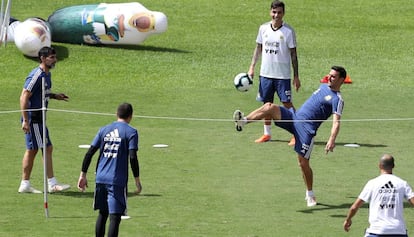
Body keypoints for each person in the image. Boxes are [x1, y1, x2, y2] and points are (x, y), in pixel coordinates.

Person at [233, 65, 347, 207]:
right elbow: (328, 79)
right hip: (293, 117)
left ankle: (310, 194)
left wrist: (331, 140)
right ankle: (243, 121)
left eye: (334, 76)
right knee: (269, 107)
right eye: (329, 75)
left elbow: (336, 122)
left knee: (303, 164)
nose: (329, 77)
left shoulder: (338, 99)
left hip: (306, 131)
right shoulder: (324, 85)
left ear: (341, 80)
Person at [77, 103, 142, 237]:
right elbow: (133, 157)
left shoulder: (104, 130)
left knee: (103, 213)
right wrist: (137, 180)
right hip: (116, 180)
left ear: (116, 114)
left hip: (100, 177)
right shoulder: (131, 132)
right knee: (115, 217)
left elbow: (90, 153)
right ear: (131, 116)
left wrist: (82, 175)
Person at [18, 46, 71, 193]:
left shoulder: (47, 75)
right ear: (42, 58)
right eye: (52, 57)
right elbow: (24, 96)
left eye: (55, 57)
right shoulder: (37, 75)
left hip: (38, 119)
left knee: (33, 150)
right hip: (34, 119)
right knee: (46, 148)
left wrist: (54, 96)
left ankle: (25, 184)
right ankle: (52, 184)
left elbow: (40, 93)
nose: (55, 60)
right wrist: (25, 120)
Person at [248, 0, 300, 144]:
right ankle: (267, 134)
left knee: (287, 104)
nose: (276, 15)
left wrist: (296, 76)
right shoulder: (263, 28)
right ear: (270, 12)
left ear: (283, 14)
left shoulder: (288, 31)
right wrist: (252, 67)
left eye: (279, 13)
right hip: (265, 74)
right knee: (267, 104)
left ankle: (297, 132)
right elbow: (258, 48)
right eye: (274, 12)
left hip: (282, 75)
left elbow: (294, 55)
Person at [343, 154, 414, 236]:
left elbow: (354, 207)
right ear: (393, 166)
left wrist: (348, 219)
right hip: (398, 231)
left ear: (379, 165)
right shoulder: (402, 183)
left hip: (377, 231)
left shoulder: (372, 183)